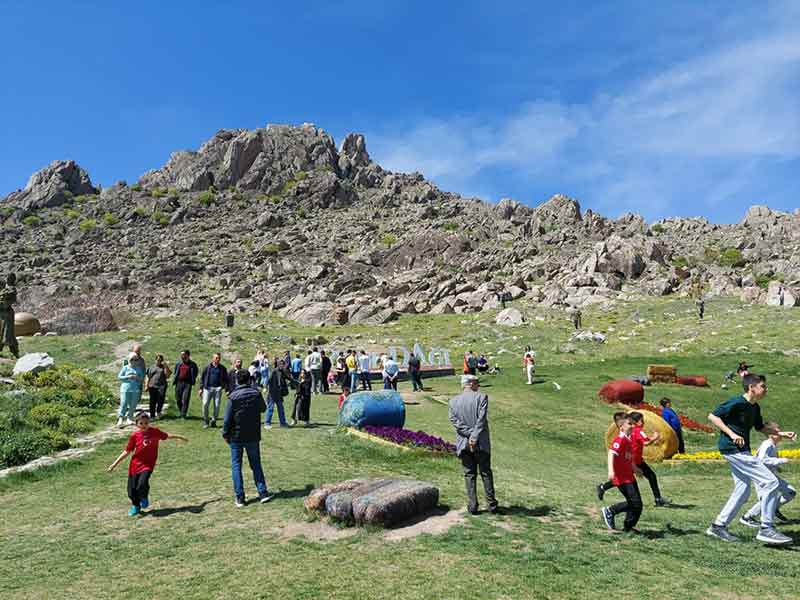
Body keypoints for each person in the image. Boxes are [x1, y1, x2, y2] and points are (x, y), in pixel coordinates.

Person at [705, 374, 796, 545]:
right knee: (770, 482)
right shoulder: (736, 402)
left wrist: (781, 434)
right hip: (733, 449)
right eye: (762, 386)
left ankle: (718, 526)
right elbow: (713, 416)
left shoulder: (755, 407)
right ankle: (766, 528)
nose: (766, 389)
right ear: (751, 387)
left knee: (743, 490)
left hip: (741, 450)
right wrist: (732, 434)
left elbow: (761, 428)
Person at [107, 411, 188, 516]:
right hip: (135, 465)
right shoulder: (134, 436)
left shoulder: (155, 432)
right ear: (136, 424)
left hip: (148, 465)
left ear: (149, 422)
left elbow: (167, 436)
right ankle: (136, 506)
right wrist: (114, 464)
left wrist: (180, 437)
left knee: (142, 484)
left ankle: (144, 497)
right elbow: (127, 451)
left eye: (146, 423)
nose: (144, 425)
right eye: (141, 423)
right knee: (131, 491)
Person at [222, 370, 275, 507]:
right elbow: (263, 409)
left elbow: (227, 419)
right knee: (256, 464)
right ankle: (262, 493)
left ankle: (240, 497)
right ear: (249, 380)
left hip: (236, 435)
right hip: (252, 434)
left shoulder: (233, 397)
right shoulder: (256, 393)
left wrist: (225, 433)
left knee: (236, 466)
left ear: (237, 380)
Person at [448, 375, 497, 515]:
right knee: (486, 472)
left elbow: (455, 422)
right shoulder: (482, 397)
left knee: (469, 474)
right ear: (469, 383)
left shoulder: (453, 401)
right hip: (480, 442)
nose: (478, 385)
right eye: (477, 382)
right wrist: (474, 436)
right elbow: (481, 420)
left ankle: (473, 505)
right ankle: (491, 504)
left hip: (463, 443)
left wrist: (469, 434)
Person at [740, 423, 796, 527]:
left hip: (770, 476)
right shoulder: (767, 444)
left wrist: (776, 467)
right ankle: (747, 517)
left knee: (790, 493)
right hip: (761, 477)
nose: (780, 434)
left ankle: (773, 509)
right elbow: (762, 459)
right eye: (777, 432)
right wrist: (781, 460)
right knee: (767, 499)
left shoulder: (772, 445)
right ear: (771, 434)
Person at [601, 414, 642, 532]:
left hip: (629, 477)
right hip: (622, 478)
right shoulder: (620, 439)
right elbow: (611, 453)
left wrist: (635, 469)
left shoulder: (628, 440)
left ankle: (628, 527)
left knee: (637, 505)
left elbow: (628, 459)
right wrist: (611, 471)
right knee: (635, 503)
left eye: (633, 424)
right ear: (621, 427)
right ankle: (611, 511)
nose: (632, 426)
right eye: (629, 424)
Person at [627, 412, 670, 506]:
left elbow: (643, 441)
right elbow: (646, 443)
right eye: (641, 420)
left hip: (634, 460)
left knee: (651, 476)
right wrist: (655, 438)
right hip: (634, 461)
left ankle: (658, 499)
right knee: (623, 480)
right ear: (635, 421)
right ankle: (657, 499)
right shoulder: (638, 431)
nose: (643, 422)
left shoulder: (632, 430)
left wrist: (653, 440)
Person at [199, 353, 228, 429]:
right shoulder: (207, 367)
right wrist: (201, 388)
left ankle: (214, 421)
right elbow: (202, 378)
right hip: (207, 388)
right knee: (205, 404)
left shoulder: (222, 368)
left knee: (217, 405)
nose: (218, 359)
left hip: (218, 389)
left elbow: (226, 379)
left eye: (219, 358)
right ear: (213, 358)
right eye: (216, 358)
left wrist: (224, 387)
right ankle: (206, 421)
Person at [117, 354, 143, 428]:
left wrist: (137, 378)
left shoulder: (138, 369)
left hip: (135, 389)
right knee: (124, 402)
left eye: (136, 360)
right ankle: (121, 418)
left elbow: (141, 379)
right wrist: (128, 376)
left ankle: (130, 418)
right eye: (132, 359)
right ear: (129, 360)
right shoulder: (125, 368)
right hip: (125, 388)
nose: (134, 361)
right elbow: (119, 377)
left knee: (133, 404)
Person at [173, 350, 199, 419]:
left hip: (187, 384)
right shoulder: (179, 363)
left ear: (187, 355)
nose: (182, 356)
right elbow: (175, 372)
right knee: (178, 399)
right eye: (181, 355)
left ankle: (183, 415)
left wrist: (192, 379)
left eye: (183, 355)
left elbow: (195, 372)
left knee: (185, 399)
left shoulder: (193, 364)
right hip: (179, 383)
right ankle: (181, 411)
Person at [145, 354, 171, 420]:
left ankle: (159, 412)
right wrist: (146, 385)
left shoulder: (164, 367)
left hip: (162, 386)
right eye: (157, 360)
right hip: (152, 386)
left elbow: (168, 375)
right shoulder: (151, 367)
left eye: (160, 360)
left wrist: (165, 366)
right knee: (152, 400)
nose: (158, 361)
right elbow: (147, 376)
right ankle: (152, 415)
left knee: (161, 399)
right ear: (155, 360)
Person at [265, 359, 290, 428]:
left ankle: (283, 423)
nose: (282, 365)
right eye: (280, 364)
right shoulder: (274, 371)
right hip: (272, 393)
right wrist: (265, 387)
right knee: (270, 409)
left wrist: (297, 383)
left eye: (283, 364)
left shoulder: (283, 371)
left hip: (279, 394)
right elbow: (269, 380)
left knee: (281, 409)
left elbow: (289, 378)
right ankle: (267, 423)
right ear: (278, 364)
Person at [0, 272, 19, 358]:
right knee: (2, 332)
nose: (8, 278)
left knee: (8, 333)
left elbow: (10, 297)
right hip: (2, 313)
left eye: (10, 277)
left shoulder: (12, 289)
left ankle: (15, 352)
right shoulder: (4, 287)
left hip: (7, 313)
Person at [130, 343, 146, 409]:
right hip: (131, 380)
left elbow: (144, 370)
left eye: (139, 351)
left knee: (138, 395)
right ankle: (131, 407)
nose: (137, 352)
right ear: (133, 351)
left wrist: (144, 379)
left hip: (139, 380)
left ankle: (134, 406)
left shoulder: (142, 360)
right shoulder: (128, 359)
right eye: (136, 351)